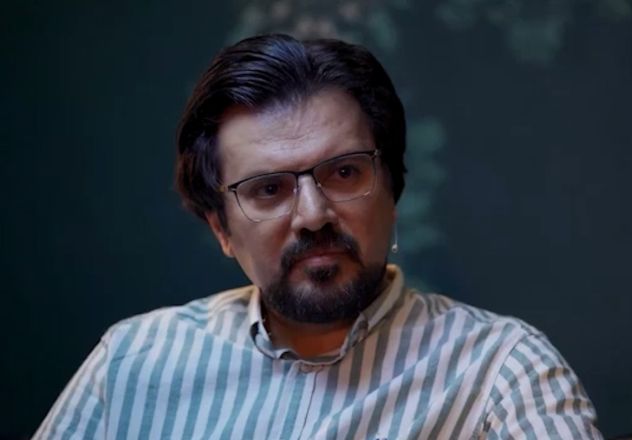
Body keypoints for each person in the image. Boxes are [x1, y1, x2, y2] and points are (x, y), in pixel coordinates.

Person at [34, 34, 602, 439]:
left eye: (345, 172)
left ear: (392, 189)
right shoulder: (132, 362)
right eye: (268, 189)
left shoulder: (501, 371)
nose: (313, 215)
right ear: (221, 229)